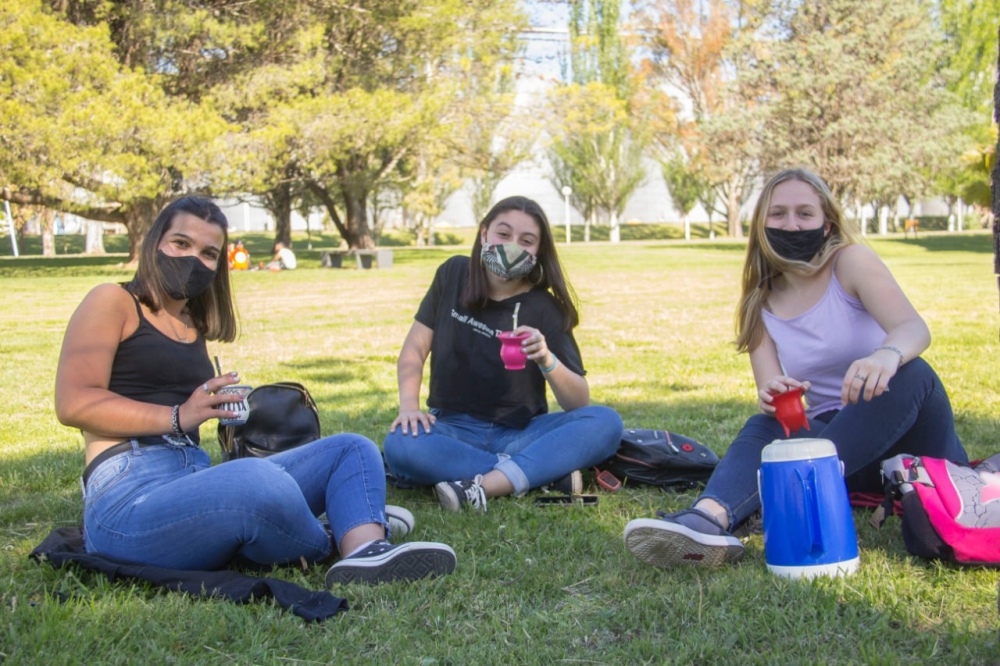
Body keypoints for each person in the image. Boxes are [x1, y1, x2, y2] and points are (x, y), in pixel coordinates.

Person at [55, 196, 455, 586]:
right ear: (155, 241)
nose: (194, 259)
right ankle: (340, 532)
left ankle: (367, 551)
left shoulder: (192, 322)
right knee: (254, 481)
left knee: (352, 449)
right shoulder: (113, 300)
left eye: (209, 253)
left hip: (190, 475)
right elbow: (74, 403)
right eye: (181, 243)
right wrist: (178, 416)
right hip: (127, 496)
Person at [623, 168, 969, 568]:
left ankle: (789, 495)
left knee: (912, 372)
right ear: (761, 225)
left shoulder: (851, 262)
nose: (792, 224)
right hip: (845, 460)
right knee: (764, 427)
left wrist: (886, 354)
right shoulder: (760, 304)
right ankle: (708, 518)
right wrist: (776, 395)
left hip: (910, 443)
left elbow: (913, 328)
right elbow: (772, 394)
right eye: (779, 214)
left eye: (805, 214)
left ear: (827, 224)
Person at [382, 195, 623, 511]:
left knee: (606, 422)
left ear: (538, 252)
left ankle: (495, 481)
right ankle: (539, 473)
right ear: (484, 234)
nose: (512, 246)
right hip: (452, 428)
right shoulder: (453, 275)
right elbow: (414, 348)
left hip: (522, 432)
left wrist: (546, 359)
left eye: (527, 240)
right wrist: (409, 407)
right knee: (400, 444)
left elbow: (578, 402)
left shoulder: (546, 308)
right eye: (503, 234)